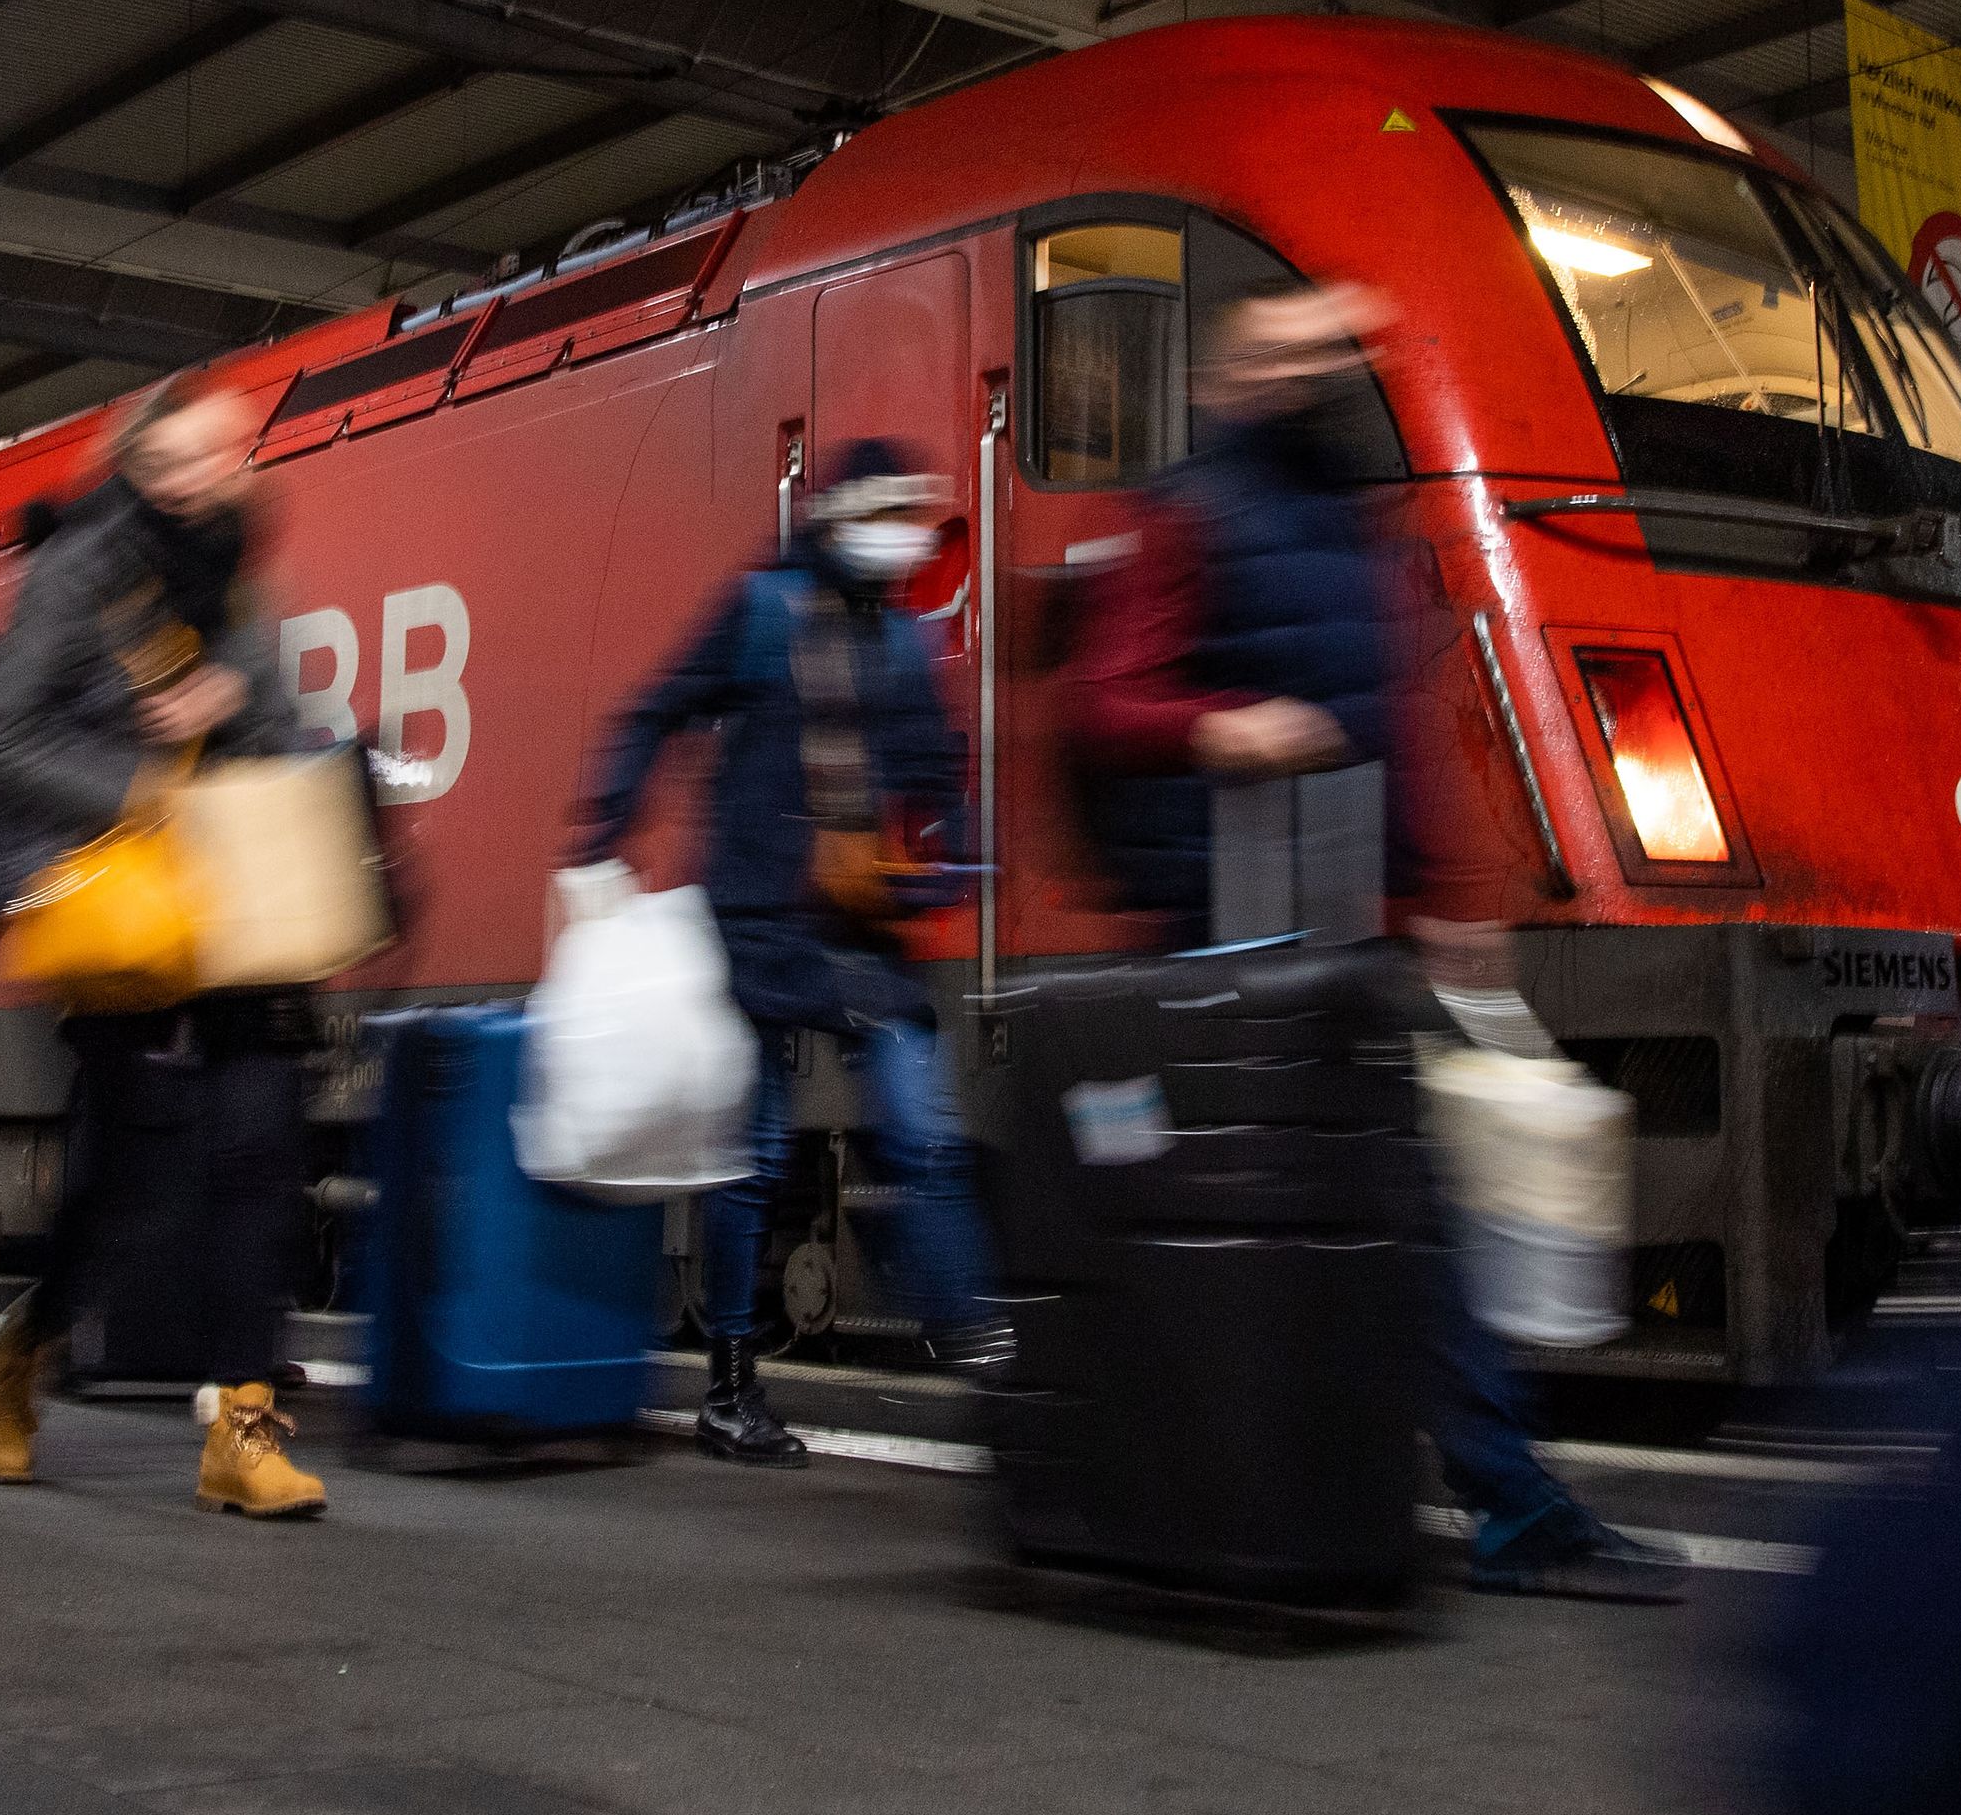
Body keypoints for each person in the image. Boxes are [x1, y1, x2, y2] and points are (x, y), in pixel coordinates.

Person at [1063, 280, 1687, 1602]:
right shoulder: (1186, 512)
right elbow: (1100, 699)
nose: (1315, 372)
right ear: (1230, 374)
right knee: (1305, 1221)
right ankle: (1368, 1492)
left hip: (1332, 922)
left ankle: (1412, 1493)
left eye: (1332, 352)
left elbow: (1391, 723)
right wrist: (1216, 724)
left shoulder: (1345, 519)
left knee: (1388, 1216)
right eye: (1286, 352)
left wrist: (1445, 895)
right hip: (1213, 933)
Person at [568, 437, 1009, 1469]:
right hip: (759, 925)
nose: (905, 537)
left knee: (920, 1133)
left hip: (854, 931)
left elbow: (942, 783)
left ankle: (984, 1348)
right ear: (840, 515)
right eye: (889, 514)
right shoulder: (763, 613)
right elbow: (655, 711)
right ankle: (731, 1386)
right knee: (754, 1158)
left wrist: (942, 879)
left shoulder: (898, 644)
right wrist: (596, 845)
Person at [0, 384, 327, 1517]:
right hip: (131, 912)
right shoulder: (83, 572)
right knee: (129, 1181)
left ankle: (243, 1432)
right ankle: (23, 1348)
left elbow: (267, 718)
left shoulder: (242, 564)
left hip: (246, 904)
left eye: (229, 447)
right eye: (192, 452)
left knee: (259, 1154)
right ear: (144, 465)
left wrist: (242, 699)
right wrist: (133, 791)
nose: (219, 466)